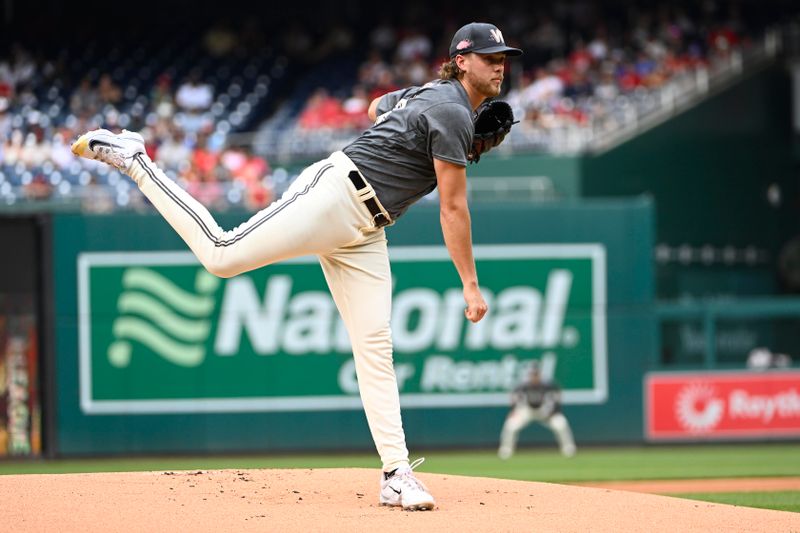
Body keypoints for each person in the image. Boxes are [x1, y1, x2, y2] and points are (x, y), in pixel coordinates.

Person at [72, 22, 522, 511]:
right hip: (336, 194)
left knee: (376, 347)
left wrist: (414, 124)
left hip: (367, 228)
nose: (500, 64)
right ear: (461, 61)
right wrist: (471, 286)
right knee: (222, 255)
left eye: (503, 57)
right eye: (489, 56)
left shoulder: (433, 96)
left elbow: (377, 109)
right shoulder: (451, 109)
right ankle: (136, 159)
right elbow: (453, 208)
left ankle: (396, 473)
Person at [498, 362, 576, 459]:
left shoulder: (548, 385)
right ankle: (506, 450)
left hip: (544, 411)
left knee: (561, 423)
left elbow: (557, 397)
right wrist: (513, 410)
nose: (534, 377)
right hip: (527, 411)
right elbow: (514, 398)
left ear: (539, 375)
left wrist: (554, 411)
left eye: (536, 374)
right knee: (511, 425)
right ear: (529, 375)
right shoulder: (523, 386)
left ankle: (568, 449)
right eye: (532, 375)